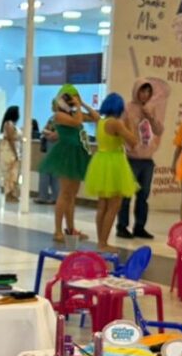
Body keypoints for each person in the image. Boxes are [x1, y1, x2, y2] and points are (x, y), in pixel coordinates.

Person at [38, 85, 99, 243]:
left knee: (72, 195)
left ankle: (71, 229)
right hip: (66, 154)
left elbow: (96, 117)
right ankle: (58, 230)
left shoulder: (74, 112)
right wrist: (78, 107)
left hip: (77, 153)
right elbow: (77, 122)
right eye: (70, 98)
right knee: (65, 193)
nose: (72, 100)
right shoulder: (59, 115)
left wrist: (82, 103)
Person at [83, 93, 139, 252]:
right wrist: (130, 123)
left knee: (102, 205)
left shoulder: (101, 122)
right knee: (114, 205)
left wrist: (83, 104)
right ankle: (103, 242)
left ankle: (100, 241)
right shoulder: (116, 124)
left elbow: (93, 114)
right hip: (114, 163)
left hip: (101, 161)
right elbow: (133, 141)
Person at [116, 80, 164, 240]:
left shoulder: (151, 109)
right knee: (126, 195)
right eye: (142, 91)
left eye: (148, 92)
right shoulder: (127, 108)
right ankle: (122, 226)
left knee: (143, 196)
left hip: (147, 160)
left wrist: (150, 116)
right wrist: (130, 146)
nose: (145, 95)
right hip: (132, 159)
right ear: (136, 91)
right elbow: (121, 129)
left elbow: (159, 130)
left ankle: (140, 227)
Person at [0, 105, 23, 202]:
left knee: (14, 173)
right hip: (9, 151)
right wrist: (15, 153)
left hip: (13, 150)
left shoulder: (13, 125)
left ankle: (12, 193)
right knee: (10, 173)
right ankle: (9, 194)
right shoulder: (9, 124)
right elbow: (11, 139)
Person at [35, 114, 60, 204]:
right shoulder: (52, 118)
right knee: (47, 173)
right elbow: (44, 130)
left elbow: (56, 136)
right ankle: (46, 196)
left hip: (56, 149)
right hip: (50, 149)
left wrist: (47, 134)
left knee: (54, 174)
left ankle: (52, 196)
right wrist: (48, 134)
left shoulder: (63, 120)